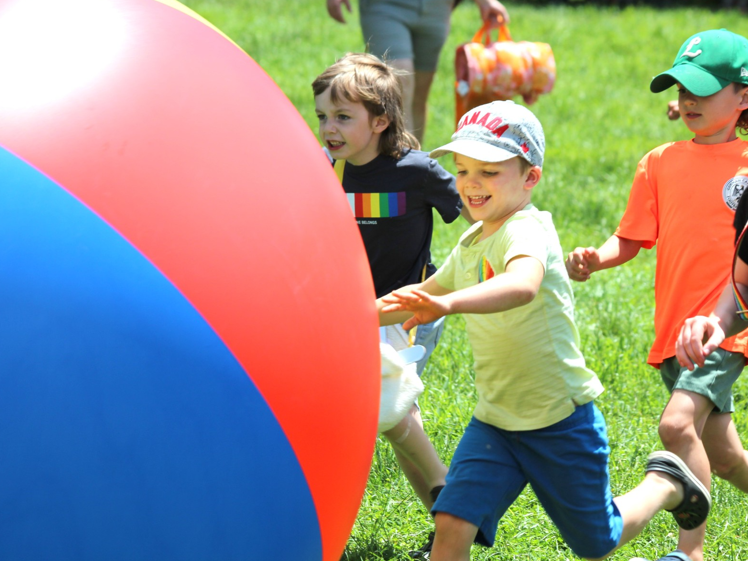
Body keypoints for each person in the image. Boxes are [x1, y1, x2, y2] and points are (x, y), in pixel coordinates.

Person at [380, 99, 711, 561]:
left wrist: (448, 304)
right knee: (452, 521)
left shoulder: (526, 230)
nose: (472, 183)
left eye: (490, 171)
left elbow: (522, 284)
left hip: (559, 421)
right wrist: (350, 316)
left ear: (530, 177)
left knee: (596, 540)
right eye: (463, 170)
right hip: (495, 421)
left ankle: (665, 484)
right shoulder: (472, 241)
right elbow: (416, 298)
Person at [565, 29, 748, 561]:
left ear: (743, 96)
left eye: (704, 90)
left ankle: (689, 552)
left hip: (724, 325)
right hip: (673, 327)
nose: (689, 99)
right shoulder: (660, 162)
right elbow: (632, 236)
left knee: (675, 424)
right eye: (681, 89)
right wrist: (597, 257)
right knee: (727, 456)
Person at [312, 52, 462, 557]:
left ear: (380, 122)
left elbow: (480, 213)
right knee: (398, 423)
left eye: (343, 117)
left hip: (406, 307)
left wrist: (457, 283)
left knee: (387, 408)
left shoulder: (416, 172)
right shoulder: (326, 171)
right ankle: (449, 522)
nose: (329, 128)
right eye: (323, 117)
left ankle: (449, 492)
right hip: (350, 312)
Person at [325, 0, 509, 144]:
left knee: (419, 97)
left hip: (437, 9)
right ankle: (400, 171)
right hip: (385, 6)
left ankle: (414, 168)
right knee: (398, 84)